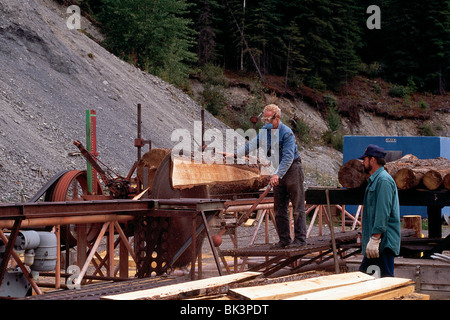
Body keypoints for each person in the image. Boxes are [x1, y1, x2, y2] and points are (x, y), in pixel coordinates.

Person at [237, 104, 307, 248]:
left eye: (269, 119)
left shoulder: (286, 133)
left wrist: (277, 174)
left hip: (292, 168)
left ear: (277, 118)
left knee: (298, 207)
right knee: (279, 208)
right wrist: (235, 154)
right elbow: (252, 145)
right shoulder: (265, 130)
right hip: (277, 169)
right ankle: (284, 240)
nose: (266, 123)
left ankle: (300, 240)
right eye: (265, 120)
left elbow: (288, 157)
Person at [357, 144, 401, 277]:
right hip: (376, 242)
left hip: (383, 243)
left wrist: (375, 239)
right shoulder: (375, 180)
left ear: (372, 160)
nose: (363, 163)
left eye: (365, 160)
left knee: (386, 280)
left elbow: (383, 212)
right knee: (363, 277)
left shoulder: (383, 181)